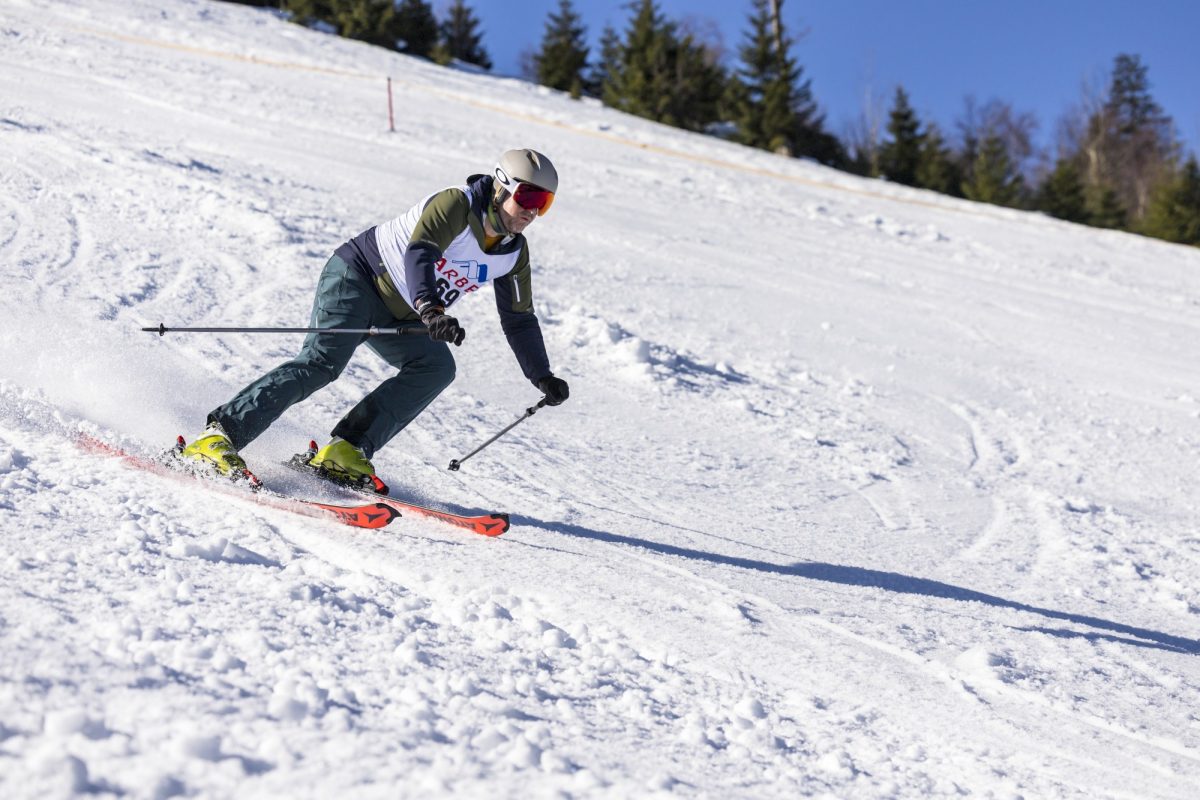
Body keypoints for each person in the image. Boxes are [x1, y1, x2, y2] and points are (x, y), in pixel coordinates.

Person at [178, 148, 570, 490]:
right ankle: (218, 437)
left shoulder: (512, 253)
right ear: (501, 187)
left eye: (545, 202)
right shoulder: (456, 203)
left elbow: (519, 319)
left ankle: (345, 450)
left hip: (405, 310)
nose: (533, 211)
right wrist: (431, 309)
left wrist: (541, 375)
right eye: (529, 196)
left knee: (435, 368)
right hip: (360, 277)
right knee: (322, 363)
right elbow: (421, 252)